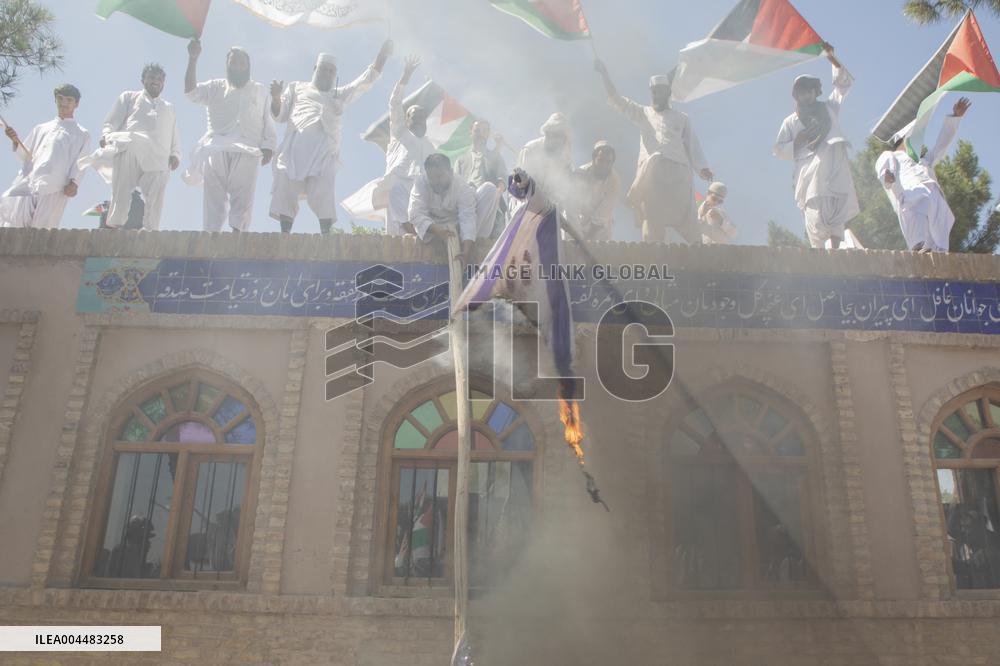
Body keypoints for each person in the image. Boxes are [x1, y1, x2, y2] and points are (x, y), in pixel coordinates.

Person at [269, 41, 392, 234]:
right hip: (294, 149)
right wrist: (276, 98)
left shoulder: (338, 95)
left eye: (331, 71)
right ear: (315, 69)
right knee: (286, 185)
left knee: (324, 191)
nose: (327, 74)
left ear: (335, 75)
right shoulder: (297, 88)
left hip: (323, 153)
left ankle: (326, 234)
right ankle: (285, 234)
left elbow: (364, 81)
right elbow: (280, 115)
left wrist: (382, 56)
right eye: (323, 69)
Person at [594, 60, 713, 244]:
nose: (656, 95)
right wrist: (604, 75)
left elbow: (692, 145)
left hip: (678, 172)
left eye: (660, 92)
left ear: (668, 94)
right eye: (653, 92)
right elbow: (617, 100)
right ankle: (652, 251)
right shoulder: (643, 113)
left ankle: (700, 251)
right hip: (652, 173)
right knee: (652, 215)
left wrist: (702, 167)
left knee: (686, 216)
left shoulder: (682, 119)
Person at [184, 40, 276, 232]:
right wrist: (193, 59)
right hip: (216, 146)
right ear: (227, 65)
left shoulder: (259, 90)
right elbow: (191, 93)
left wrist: (268, 146)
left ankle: (237, 237)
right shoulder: (215, 86)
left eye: (242, 63)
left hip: (248, 148)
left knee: (243, 197)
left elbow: (267, 118)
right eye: (233, 63)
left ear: (248, 67)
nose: (237, 67)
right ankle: (211, 237)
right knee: (214, 197)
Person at [773, 44, 858, 249]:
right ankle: (820, 254)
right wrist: (799, 140)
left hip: (832, 162)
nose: (807, 96)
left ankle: (835, 249)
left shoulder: (828, 109)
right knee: (814, 212)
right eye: (802, 92)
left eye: (810, 91)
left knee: (836, 206)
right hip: (808, 172)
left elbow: (843, 85)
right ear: (797, 95)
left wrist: (832, 58)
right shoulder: (791, 121)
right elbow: (778, 149)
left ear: (815, 92)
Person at [88, 64, 180, 230]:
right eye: (152, 77)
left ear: (164, 83)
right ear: (143, 80)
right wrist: (107, 136)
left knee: (157, 192)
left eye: (159, 79)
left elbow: (173, 132)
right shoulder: (129, 97)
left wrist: (175, 153)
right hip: (130, 147)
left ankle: (152, 230)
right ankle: (115, 224)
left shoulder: (168, 107)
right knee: (122, 189)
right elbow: (111, 121)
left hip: (158, 155)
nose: (155, 81)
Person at [876, 97, 971, 253]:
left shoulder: (924, 161)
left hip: (933, 201)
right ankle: (920, 251)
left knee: (937, 246)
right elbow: (883, 172)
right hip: (912, 199)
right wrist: (887, 178)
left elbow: (942, 144)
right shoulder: (890, 156)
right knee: (920, 242)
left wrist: (955, 118)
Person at [0, 84, 90, 229]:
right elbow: (26, 155)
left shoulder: (82, 134)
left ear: (76, 104)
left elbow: (81, 162)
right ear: (55, 100)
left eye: (69, 100)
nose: (64, 103)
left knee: (42, 229)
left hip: (56, 187)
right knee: (16, 221)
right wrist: (15, 141)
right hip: (30, 182)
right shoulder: (41, 128)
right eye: (60, 98)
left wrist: (74, 183)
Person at [376, 55, 435, 236]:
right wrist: (405, 76)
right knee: (396, 239)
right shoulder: (400, 133)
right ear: (406, 119)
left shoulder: (431, 147)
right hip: (398, 187)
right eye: (414, 117)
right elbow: (395, 103)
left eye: (421, 118)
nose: (418, 121)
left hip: (422, 193)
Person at [408, 153, 499, 264]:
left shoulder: (462, 187)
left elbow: (467, 219)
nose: (436, 182)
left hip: (459, 228)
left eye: (440, 176)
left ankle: (471, 245)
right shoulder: (420, 183)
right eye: (432, 178)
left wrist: (465, 252)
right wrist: (438, 230)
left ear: (450, 172)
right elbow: (415, 214)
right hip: (434, 230)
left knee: (490, 189)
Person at [455, 119, 507, 237]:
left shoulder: (495, 156)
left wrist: (497, 195)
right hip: (467, 201)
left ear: (488, 134)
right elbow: (455, 183)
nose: (480, 134)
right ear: (471, 132)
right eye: (477, 130)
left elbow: (502, 179)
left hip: (489, 200)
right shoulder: (461, 159)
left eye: (484, 131)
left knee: (488, 189)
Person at [565, 140, 619, 242]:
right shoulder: (579, 175)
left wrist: (588, 239)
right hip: (577, 222)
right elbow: (572, 210)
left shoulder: (614, 180)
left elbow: (603, 214)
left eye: (608, 162)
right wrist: (578, 238)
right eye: (601, 160)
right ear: (593, 159)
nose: (604, 165)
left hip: (601, 227)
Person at [516, 112, 573, 207]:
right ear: (548, 133)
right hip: (524, 202)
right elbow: (519, 184)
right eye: (557, 135)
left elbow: (564, 190)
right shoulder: (530, 149)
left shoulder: (564, 160)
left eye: (562, 137)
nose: (560, 141)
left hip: (548, 207)